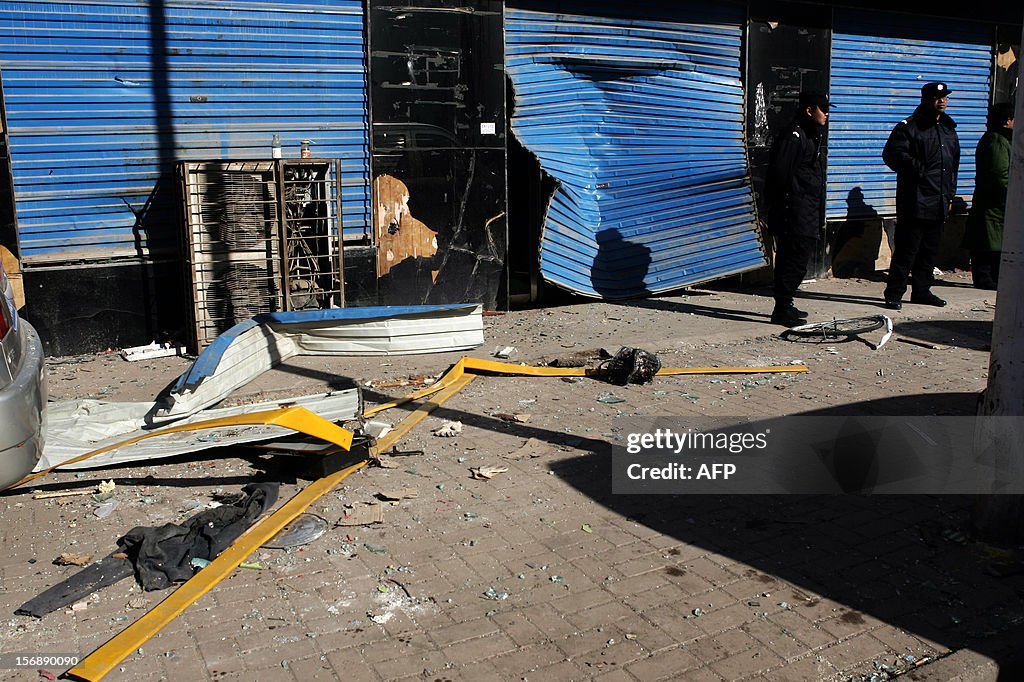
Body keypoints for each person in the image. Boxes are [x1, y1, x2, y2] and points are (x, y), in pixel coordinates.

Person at [881, 81, 960, 310]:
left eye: (945, 97)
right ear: (925, 99)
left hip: (939, 200)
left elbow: (953, 165)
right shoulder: (909, 127)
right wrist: (917, 168)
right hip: (915, 200)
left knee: (930, 250)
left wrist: (950, 196)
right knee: (907, 250)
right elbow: (892, 154)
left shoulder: (947, 129)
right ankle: (894, 293)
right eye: (937, 98)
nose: (942, 101)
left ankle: (922, 291)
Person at [763, 90, 831, 326]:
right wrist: (781, 207)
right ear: (809, 110)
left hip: (806, 208)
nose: (827, 114)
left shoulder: (810, 135)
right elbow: (780, 175)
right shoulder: (794, 136)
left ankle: (786, 303)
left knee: (798, 258)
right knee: (792, 258)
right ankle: (781, 308)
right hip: (794, 209)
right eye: (823, 109)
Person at [964, 102, 1014, 290]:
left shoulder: (1003, 139)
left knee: (994, 241)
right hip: (993, 202)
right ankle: (985, 278)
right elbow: (999, 174)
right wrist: (1011, 194)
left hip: (997, 203)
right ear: (1008, 121)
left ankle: (993, 277)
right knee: (987, 243)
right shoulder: (996, 140)